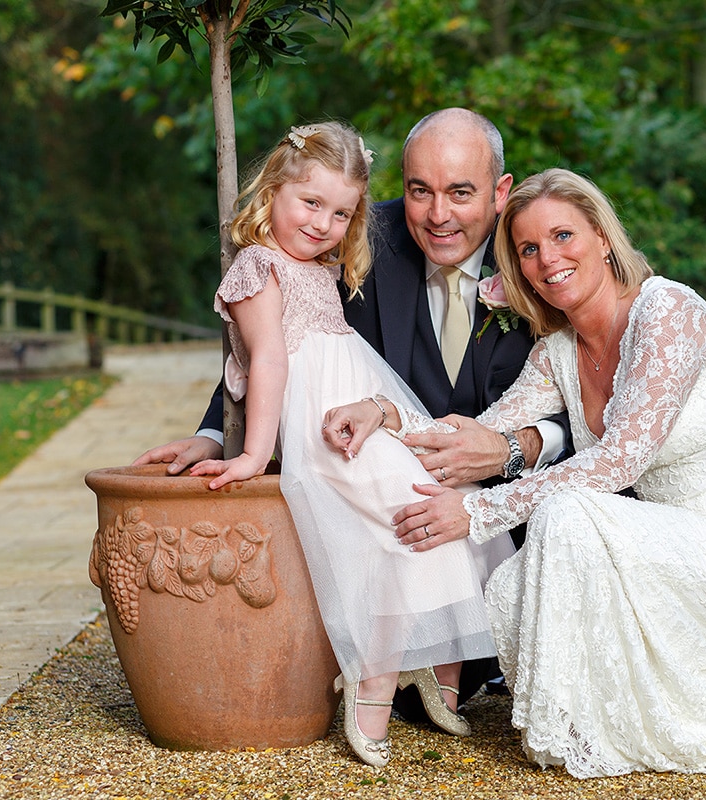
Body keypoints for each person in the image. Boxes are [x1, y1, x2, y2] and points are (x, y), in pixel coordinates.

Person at [324, 168, 706, 778]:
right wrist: (382, 413)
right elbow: (480, 428)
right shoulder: (560, 350)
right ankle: (599, 729)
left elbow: (619, 459)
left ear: (602, 236)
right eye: (529, 249)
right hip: (669, 551)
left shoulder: (667, 311)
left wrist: (477, 512)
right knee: (515, 583)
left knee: (567, 516)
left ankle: (575, 729)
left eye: (564, 236)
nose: (549, 259)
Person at [134, 108, 572, 710]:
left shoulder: (541, 256)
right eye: (420, 191)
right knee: (409, 695)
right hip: (377, 502)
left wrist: (517, 448)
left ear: (500, 192)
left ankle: (499, 649)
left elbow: (597, 398)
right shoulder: (356, 236)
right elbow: (276, 339)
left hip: (504, 510)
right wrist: (216, 431)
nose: (437, 215)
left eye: (461, 193)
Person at [185, 120, 514, 768]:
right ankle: (376, 673)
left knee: (444, 500)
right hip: (324, 422)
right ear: (274, 188)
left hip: (366, 402)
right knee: (405, 512)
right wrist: (236, 447)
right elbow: (265, 360)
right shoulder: (265, 263)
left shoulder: (529, 252)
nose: (324, 223)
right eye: (311, 204)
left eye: (341, 213)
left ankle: (440, 662)